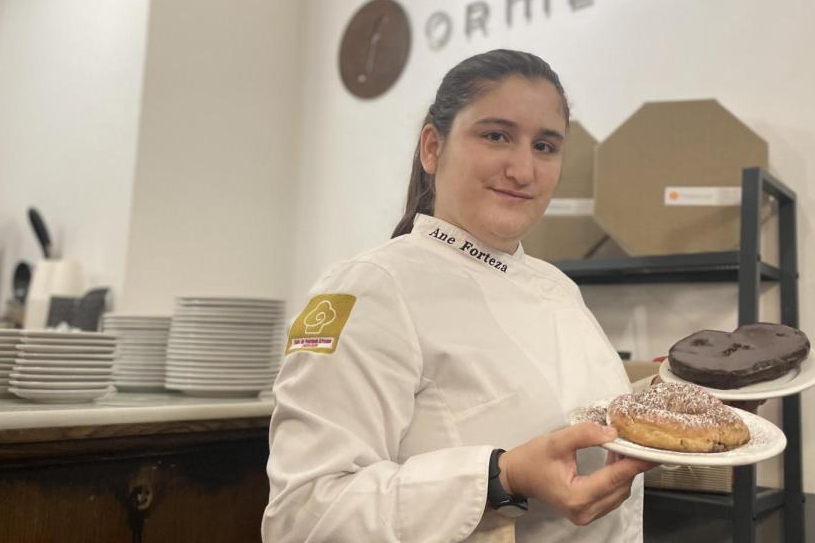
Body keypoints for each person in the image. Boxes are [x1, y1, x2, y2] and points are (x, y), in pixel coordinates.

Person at [262, 49, 656, 543]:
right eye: (496, 136)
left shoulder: (556, 286)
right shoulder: (368, 289)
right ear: (432, 148)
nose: (523, 170)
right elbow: (303, 517)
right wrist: (499, 478)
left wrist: (686, 404)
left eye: (545, 146)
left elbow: (571, 412)